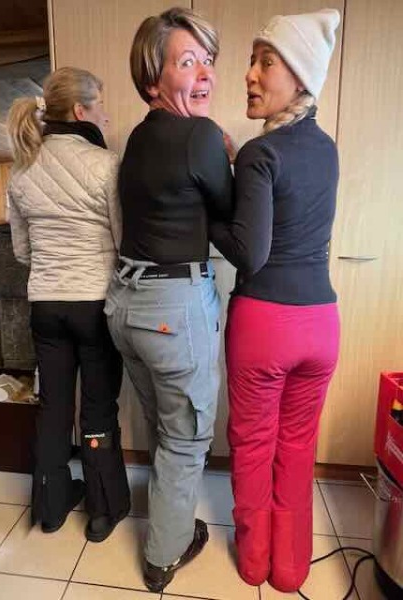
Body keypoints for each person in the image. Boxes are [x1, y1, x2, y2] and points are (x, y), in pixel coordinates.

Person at [210, 9, 341, 593]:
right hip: (322, 323)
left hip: (266, 324)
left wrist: (212, 205)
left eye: (266, 62)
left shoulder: (261, 154)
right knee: (298, 447)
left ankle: (254, 562)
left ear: (300, 75)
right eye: (252, 62)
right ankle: (290, 570)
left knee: (254, 445)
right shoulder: (327, 149)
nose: (250, 74)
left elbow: (250, 252)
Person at [104, 7, 233, 592]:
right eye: (187, 62)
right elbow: (231, 215)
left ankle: (169, 519)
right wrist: (230, 154)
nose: (205, 73)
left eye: (207, 60)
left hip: (126, 306)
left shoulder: (138, 137)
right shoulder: (200, 136)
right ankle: (164, 555)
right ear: (153, 80)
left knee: (166, 426)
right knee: (186, 437)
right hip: (173, 310)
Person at [6, 66, 130, 541]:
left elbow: (22, 251)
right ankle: (103, 512)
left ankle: (52, 507)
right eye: (100, 105)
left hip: (45, 306)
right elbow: (121, 241)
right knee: (97, 407)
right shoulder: (106, 164)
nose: (105, 115)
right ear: (80, 111)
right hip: (93, 305)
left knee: (53, 406)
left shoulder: (22, 170)